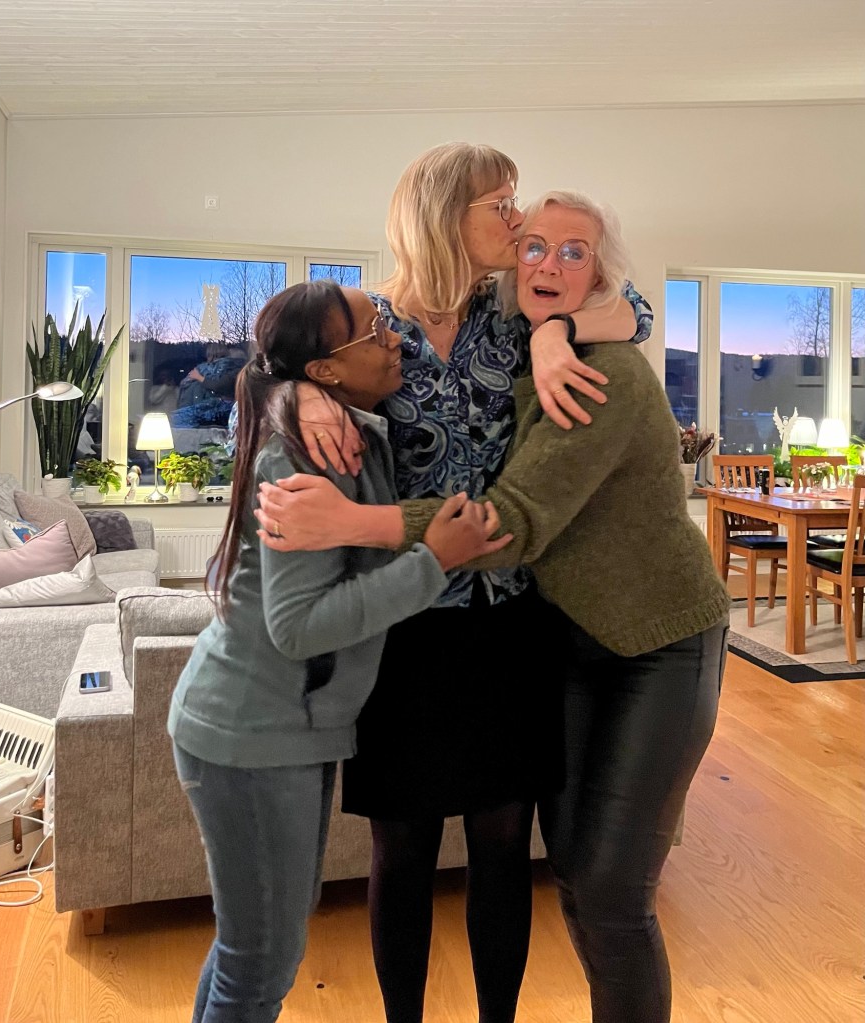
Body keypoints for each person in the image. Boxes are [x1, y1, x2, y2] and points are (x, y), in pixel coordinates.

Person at [259, 190, 731, 1023]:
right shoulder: (372, 323)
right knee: (412, 846)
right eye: (505, 209)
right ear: (446, 215)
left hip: (525, 619)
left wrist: (554, 331)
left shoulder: (519, 322)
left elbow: (636, 309)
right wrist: (295, 393)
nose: (522, 236)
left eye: (562, 244)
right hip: (414, 622)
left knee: (532, 852)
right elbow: (272, 359)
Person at [167, 279, 509, 1023]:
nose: (394, 338)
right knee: (261, 962)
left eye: (385, 320)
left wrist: (289, 390)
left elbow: (259, 376)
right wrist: (435, 562)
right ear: (325, 369)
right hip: (250, 731)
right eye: (372, 331)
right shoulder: (302, 454)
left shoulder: (345, 425)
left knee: (251, 947)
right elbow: (299, 626)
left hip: (282, 727)